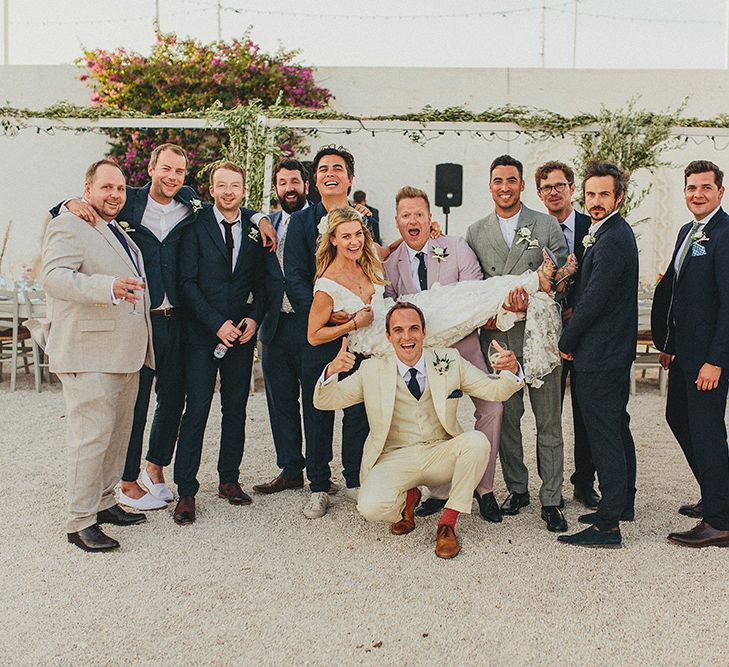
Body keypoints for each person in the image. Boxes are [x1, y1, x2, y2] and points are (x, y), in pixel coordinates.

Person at [50, 146, 277, 511]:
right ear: (151, 169)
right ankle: (125, 481)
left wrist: (261, 216)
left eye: (180, 171)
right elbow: (87, 204)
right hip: (138, 319)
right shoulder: (126, 199)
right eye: (166, 169)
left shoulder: (191, 205)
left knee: (172, 400)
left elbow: (230, 204)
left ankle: (155, 468)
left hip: (178, 322)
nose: (172, 177)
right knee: (135, 403)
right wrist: (67, 203)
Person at [313, 302, 525, 558]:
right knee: (369, 507)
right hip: (395, 456)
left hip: (440, 453)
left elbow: (494, 390)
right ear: (388, 337)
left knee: (477, 442)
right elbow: (325, 401)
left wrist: (511, 371)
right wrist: (332, 371)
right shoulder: (371, 370)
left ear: (424, 332)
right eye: (398, 330)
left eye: (414, 328)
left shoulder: (449, 360)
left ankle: (448, 522)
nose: (407, 336)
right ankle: (409, 500)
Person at [384, 186, 524, 523]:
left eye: (419, 214)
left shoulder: (456, 247)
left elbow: (475, 298)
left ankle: (484, 488)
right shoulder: (390, 265)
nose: (412, 220)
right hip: (421, 362)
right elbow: (389, 313)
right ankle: (442, 489)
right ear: (397, 221)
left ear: (430, 217)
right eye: (406, 215)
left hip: (464, 350)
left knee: (493, 407)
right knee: (431, 424)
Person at [40, 159, 154, 552]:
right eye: (106, 188)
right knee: (90, 439)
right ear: (87, 190)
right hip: (89, 352)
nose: (115, 196)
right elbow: (53, 278)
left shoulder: (110, 227)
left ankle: (105, 502)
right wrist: (107, 287)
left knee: (116, 437)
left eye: (120, 189)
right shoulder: (68, 223)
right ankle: (79, 520)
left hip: (123, 353)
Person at [466, 154, 569, 532]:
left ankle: (552, 498)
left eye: (512, 180)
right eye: (498, 180)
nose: (505, 187)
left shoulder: (546, 225)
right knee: (508, 417)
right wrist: (491, 311)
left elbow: (560, 281)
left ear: (522, 185)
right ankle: (517, 487)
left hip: (538, 334)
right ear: (489, 185)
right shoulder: (475, 232)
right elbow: (472, 287)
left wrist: (536, 297)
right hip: (497, 335)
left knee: (548, 418)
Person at [283, 145, 376, 518]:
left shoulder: (366, 221)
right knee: (318, 408)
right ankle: (318, 485)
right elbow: (294, 278)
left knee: (358, 409)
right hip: (320, 332)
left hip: (362, 336)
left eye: (338, 168)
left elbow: (373, 263)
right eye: (323, 169)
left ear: (350, 179)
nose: (330, 173)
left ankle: (353, 479)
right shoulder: (302, 224)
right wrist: (327, 317)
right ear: (314, 180)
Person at [172, 161, 266, 526]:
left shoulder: (257, 232)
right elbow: (187, 283)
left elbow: (263, 282)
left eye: (235, 185)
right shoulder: (194, 228)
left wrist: (254, 319)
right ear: (211, 190)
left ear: (244, 190)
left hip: (241, 336)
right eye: (221, 185)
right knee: (195, 410)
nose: (229, 191)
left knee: (236, 409)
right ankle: (186, 490)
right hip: (201, 334)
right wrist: (216, 325)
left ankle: (229, 479)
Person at [558, 161, 638, 548]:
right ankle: (622, 505)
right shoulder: (605, 233)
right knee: (616, 428)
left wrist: (566, 342)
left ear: (618, 197)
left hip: (601, 354)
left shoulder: (614, 238)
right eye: (590, 195)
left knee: (604, 434)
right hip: (610, 351)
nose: (596, 201)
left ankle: (608, 525)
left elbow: (593, 302)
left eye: (604, 194)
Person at [652, 160, 729, 548]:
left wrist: (716, 360)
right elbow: (677, 291)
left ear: (720, 191)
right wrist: (667, 345)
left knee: (708, 431)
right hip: (683, 353)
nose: (697, 194)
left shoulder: (725, 234)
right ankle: (719, 495)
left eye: (705, 187)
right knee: (677, 417)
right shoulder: (688, 230)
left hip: (708, 361)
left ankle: (720, 521)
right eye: (691, 188)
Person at [535, 160, 599, 510]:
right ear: (539, 193)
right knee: (548, 415)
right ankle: (551, 487)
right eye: (546, 187)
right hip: (545, 337)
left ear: (572, 188)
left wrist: (579, 311)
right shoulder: (534, 229)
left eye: (560, 185)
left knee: (586, 412)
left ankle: (584, 482)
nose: (554, 192)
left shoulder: (594, 227)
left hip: (586, 337)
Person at [253, 158, 316, 495]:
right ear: (275, 188)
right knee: (280, 402)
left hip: (310, 325)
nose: (289, 188)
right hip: (274, 327)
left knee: (315, 401)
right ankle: (290, 468)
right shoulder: (268, 221)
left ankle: (320, 471)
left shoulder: (318, 219)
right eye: (283, 182)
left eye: (295, 181)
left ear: (306, 185)